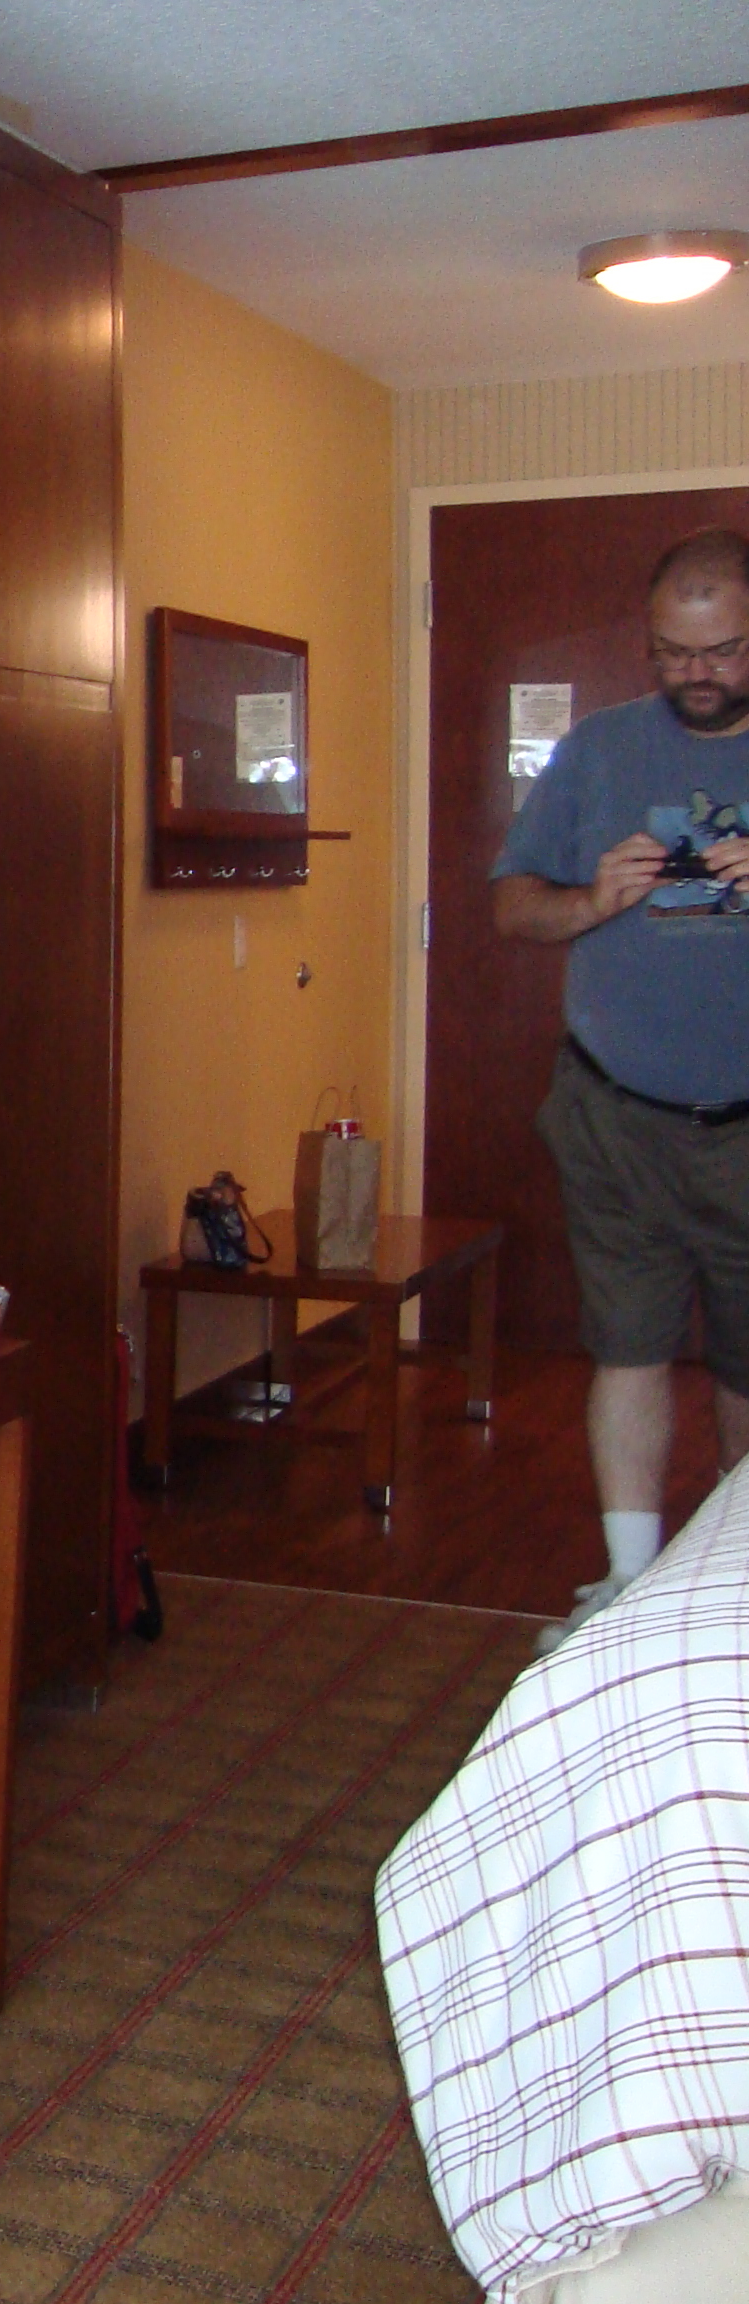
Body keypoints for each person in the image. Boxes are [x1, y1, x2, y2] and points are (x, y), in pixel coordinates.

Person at [493, 526, 749, 1650]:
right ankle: (629, 1589)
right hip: (614, 1115)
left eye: (723, 651)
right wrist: (591, 900)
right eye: (674, 652)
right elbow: (512, 908)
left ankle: (732, 1597)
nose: (698, 673)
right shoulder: (596, 752)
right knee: (629, 1347)